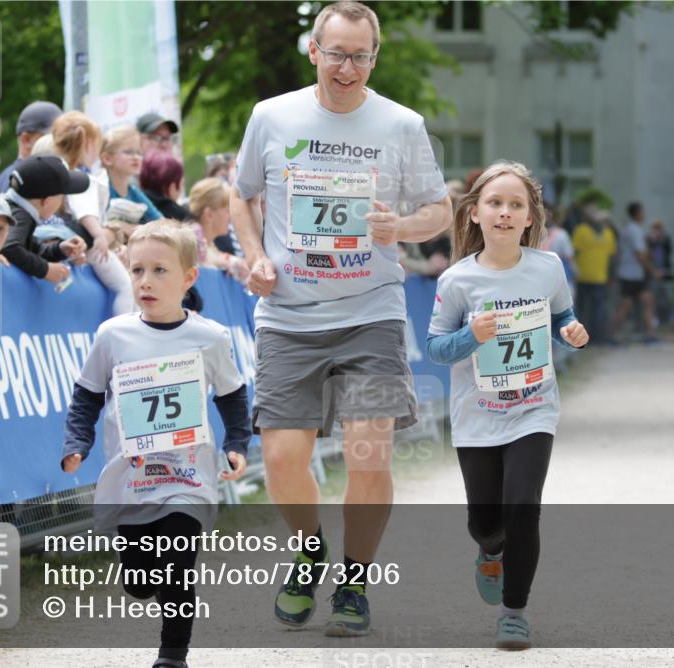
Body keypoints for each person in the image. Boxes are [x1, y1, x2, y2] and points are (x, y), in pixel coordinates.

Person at [230, 0, 452, 637]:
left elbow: (438, 209)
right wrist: (253, 256)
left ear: (374, 58)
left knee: (368, 453)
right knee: (281, 458)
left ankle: (354, 580)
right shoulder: (271, 117)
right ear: (314, 51)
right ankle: (307, 550)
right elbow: (241, 196)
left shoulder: (401, 125)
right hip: (287, 316)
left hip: (371, 316)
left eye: (359, 55)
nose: (347, 66)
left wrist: (399, 226)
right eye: (337, 53)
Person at [61, 222, 251, 668]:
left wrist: (237, 443)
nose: (145, 281)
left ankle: (172, 657)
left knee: (179, 561)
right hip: (133, 479)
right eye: (137, 270)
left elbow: (232, 395)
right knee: (142, 581)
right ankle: (148, 583)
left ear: (189, 278)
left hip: (187, 477)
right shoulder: (112, 336)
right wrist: (77, 441)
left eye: (160, 271)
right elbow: (86, 394)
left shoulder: (210, 338)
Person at [427, 161, 588, 650]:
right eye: (495, 203)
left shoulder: (548, 268)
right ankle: (490, 549)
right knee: (485, 522)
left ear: (530, 218)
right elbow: (435, 349)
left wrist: (573, 334)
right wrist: (469, 336)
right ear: (474, 213)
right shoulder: (457, 281)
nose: (504, 212)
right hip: (477, 417)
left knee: (523, 507)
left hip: (533, 409)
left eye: (516, 205)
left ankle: (514, 611)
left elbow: (564, 317)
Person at [52, 111, 135, 314]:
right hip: (93, 246)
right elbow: (85, 212)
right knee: (125, 287)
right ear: (88, 145)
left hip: (84, 243)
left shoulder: (65, 174)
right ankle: (122, 335)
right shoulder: (82, 178)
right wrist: (99, 235)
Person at [1, 155, 90, 285]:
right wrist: (45, 270)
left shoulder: (19, 209)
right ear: (46, 201)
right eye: (63, 196)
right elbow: (9, 248)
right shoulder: (19, 215)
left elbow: (28, 249)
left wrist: (58, 249)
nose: (64, 200)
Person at [609, 201, 661, 344]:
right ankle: (612, 335)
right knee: (628, 306)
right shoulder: (635, 230)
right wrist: (653, 270)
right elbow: (640, 254)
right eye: (642, 212)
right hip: (634, 275)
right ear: (637, 213)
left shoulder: (627, 230)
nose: (644, 215)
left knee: (646, 301)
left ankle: (649, 334)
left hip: (628, 273)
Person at [186, 178, 250, 283]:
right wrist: (227, 262)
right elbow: (201, 262)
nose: (231, 216)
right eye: (227, 211)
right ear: (209, 214)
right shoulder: (192, 238)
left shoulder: (207, 242)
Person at [0, 101, 63, 193]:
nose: (61, 143)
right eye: (53, 136)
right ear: (26, 140)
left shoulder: (17, 176)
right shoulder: (20, 180)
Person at [571, 207, 617, 345]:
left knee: (585, 309)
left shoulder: (581, 230)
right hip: (595, 277)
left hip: (585, 276)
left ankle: (586, 339)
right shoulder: (607, 233)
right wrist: (611, 275)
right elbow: (612, 258)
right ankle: (595, 338)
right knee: (596, 309)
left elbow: (575, 252)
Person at [100, 126, 162, 223]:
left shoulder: (134, 191)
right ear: (107, 159)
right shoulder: (101, 189)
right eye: (128, 152)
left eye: (139, 152)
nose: (136, 157)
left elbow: (160, 221)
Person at [140, 151, 191, 221]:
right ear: (172, 187)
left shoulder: (133, 201)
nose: (181, 190)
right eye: (182, 184)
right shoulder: (180, 215)